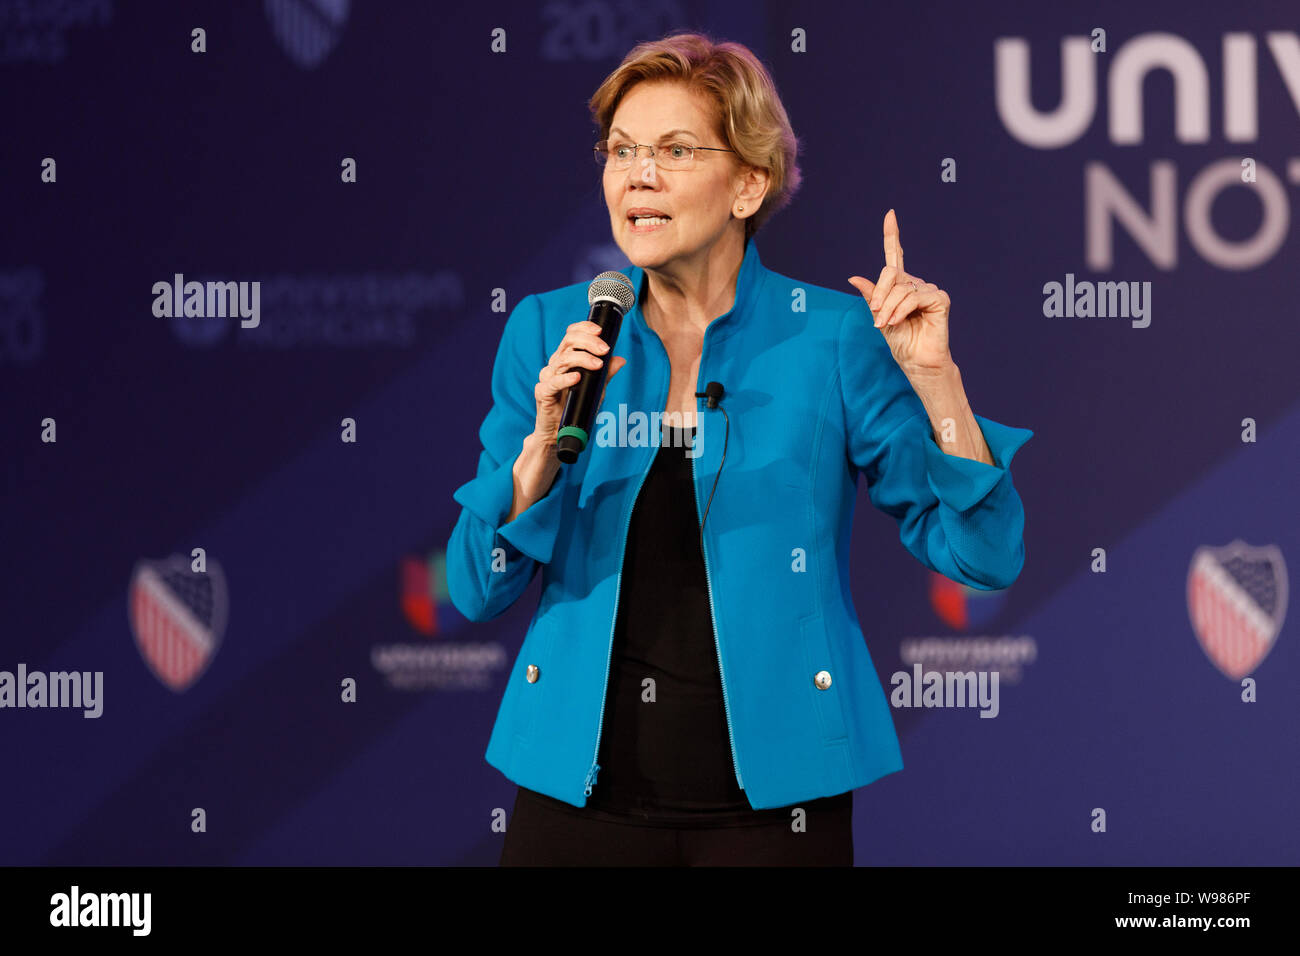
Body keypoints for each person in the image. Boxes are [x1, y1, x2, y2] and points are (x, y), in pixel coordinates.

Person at [446, 32, 1032, 866]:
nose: (637, 176)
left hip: (774, 813)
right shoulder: (551, 330)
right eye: (621, 151)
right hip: (576, 807)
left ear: (749, 184)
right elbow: (475, 589)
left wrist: (937, 382)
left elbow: (984, 556)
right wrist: (539, 454)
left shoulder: (830, 337)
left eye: (675, 151)